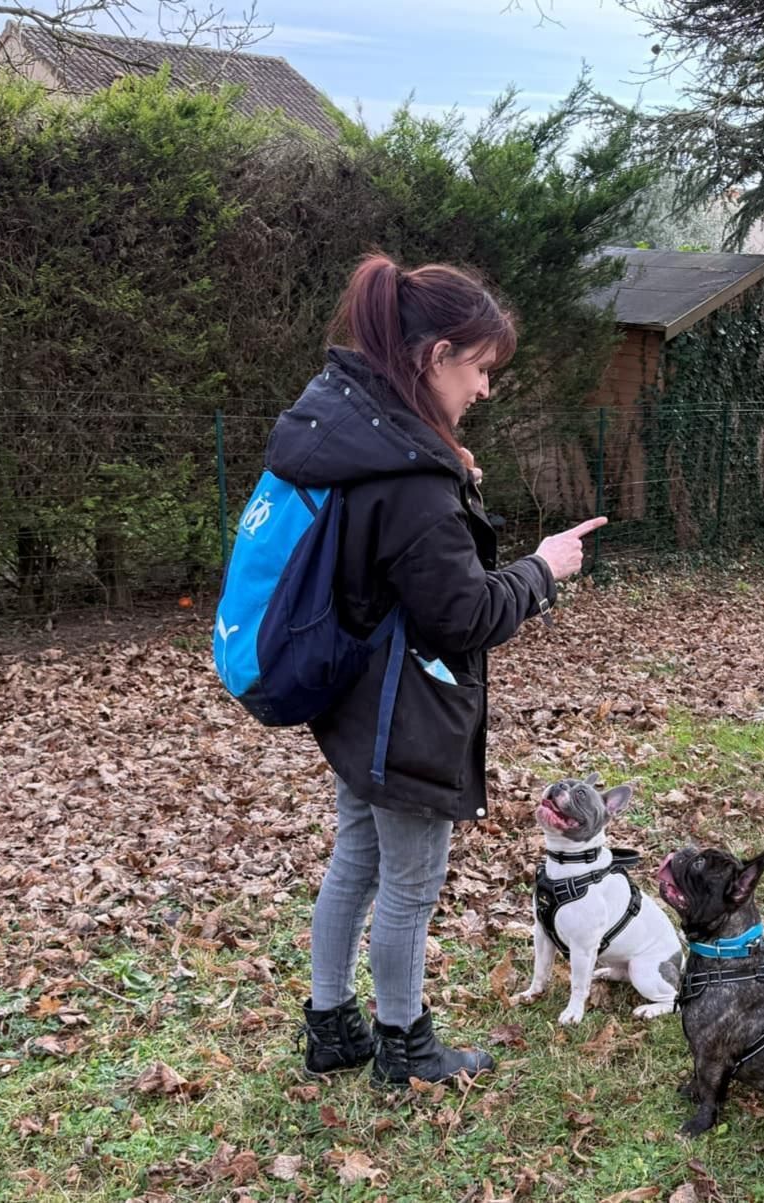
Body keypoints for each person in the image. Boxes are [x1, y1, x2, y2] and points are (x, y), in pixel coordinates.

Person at [263, 253, 606, 1087]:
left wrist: (447, 477)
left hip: (351, 697)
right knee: (410, 886)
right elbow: (464, 614)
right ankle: (404, 1046)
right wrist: (541, 568)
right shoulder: (409, 476)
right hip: (404, 709)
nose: (485, 388)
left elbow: (392, 558)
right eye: (480, 368)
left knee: (354, 858)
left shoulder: (352, 431)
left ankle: (330, 1026)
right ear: (435, 355)